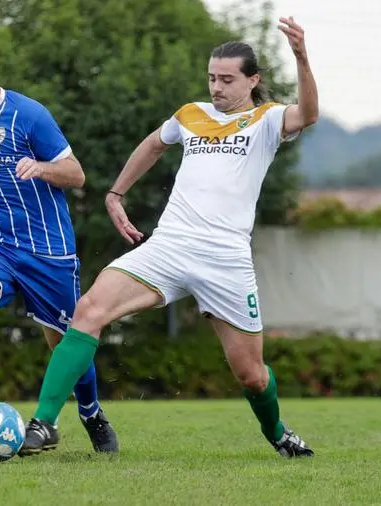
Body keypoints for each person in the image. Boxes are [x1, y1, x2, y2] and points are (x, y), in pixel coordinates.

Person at [20, 17, 318, 458]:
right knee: (89, 310)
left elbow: (309, 114)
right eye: (211, 77)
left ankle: (277, 432)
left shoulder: (267, 119)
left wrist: (300, 56)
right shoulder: (190, 115)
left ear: (253, 80)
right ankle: (43, 423)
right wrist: (116, 193)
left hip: (225, 259)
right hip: (170, 246)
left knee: (251, 375)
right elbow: (153, 144)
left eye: (227, 79)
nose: (216, 86)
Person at [0, 29, 119, 454]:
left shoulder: (29, 115)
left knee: (66, 341)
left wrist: (40, 167)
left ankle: (90, 411)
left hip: (46, 249)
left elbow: (77, 174)